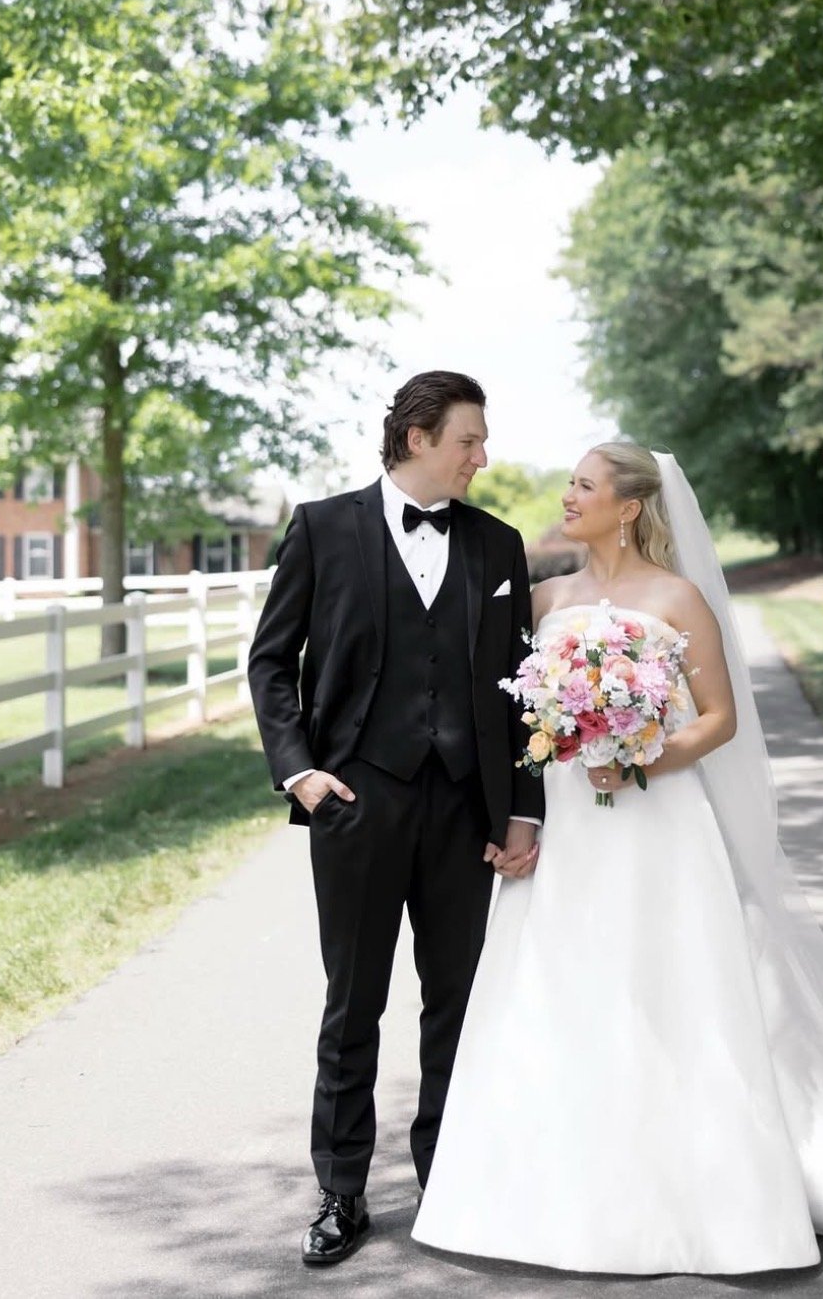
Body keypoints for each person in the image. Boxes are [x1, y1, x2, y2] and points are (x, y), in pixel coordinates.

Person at [412, 442, 823, 1275]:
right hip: (574, 821)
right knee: (564, 979)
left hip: (657, 818)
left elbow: (718, 718)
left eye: (582, 484)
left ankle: (708, 1184)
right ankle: (563, 1184)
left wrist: (642, 755)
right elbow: (510, 719)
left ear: (630, 506)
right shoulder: (543, 598)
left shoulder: (679, 598)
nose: (566, 495)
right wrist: (530, 804)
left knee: (674, 978)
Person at [247, 371, 543, 1268]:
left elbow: (523, 685)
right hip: (355, 802)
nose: (481, 457)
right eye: (469, 441)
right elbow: (271, 664)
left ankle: (447, 1177)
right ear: (418, 437)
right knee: (354, 1004)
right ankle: (340, 1193)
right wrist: (300, 774)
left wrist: (524, 807)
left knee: (457, 1002)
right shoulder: (323, 527)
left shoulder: (498, 544)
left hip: (465, 809)